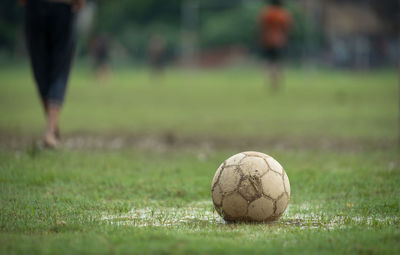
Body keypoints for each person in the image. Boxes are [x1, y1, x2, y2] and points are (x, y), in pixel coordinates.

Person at [19, 0, 85, 148]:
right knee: (60, 70)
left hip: (34, 7)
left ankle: (52, 128)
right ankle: (50, 130)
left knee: (40, 69)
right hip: (63, 6)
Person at [259, 0, 292, 92]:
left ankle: (271, 80)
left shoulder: (266, 13)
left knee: (268, 61)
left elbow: (262, 26)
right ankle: (278, 79)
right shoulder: (283, 14)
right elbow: (288, 27)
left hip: (267, 39)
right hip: (280, 40)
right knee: (278, 61)